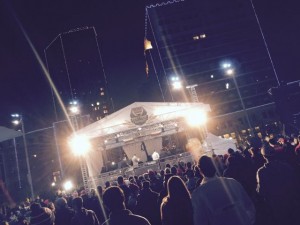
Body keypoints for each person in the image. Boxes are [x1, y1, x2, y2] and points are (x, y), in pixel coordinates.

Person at [192, 155, 255, 225]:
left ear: (200, 171)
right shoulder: (233, 182)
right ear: (215, 167)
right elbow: (249, 207)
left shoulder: (197, 195)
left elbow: (199, 221)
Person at [256, 144, 300, 225]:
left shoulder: (261, 172)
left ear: (264, 157)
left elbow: (261, 191)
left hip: (276, 204)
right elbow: (295, 182)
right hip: (291, 200)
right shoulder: (286, 166)